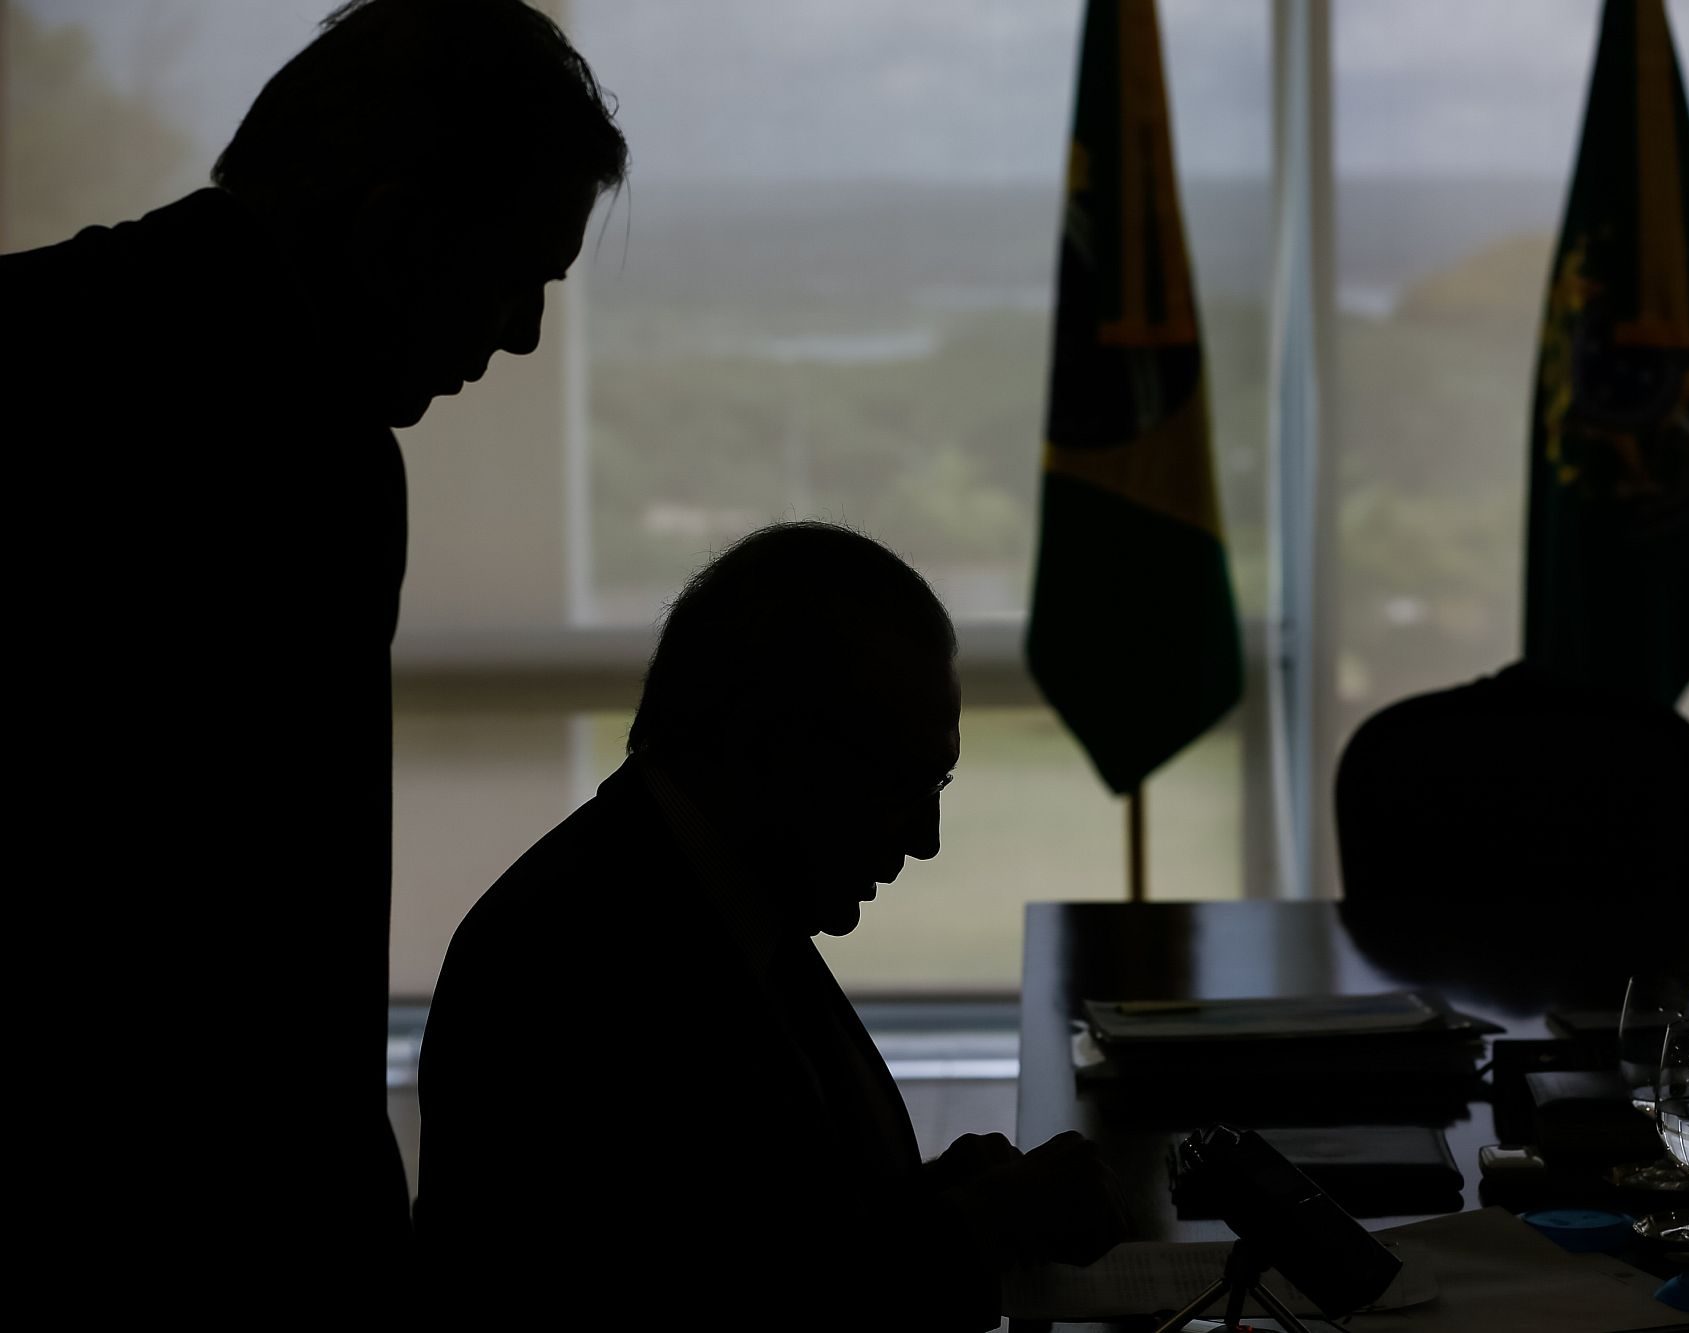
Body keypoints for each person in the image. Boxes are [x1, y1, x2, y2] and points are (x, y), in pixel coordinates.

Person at [0, 0, 625, 1308]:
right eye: (515, 280)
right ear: (394, 233)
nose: (517, 338)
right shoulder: (317, 469)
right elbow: (288, 966)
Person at [417, 523, 1131, 1324]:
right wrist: (984, 1222)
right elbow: (752, 1315)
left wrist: (946, 1194)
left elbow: (774, 1225)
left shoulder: (705, 891)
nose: (927, 839)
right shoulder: (571, 965)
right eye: (906, 781)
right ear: (780, 747)